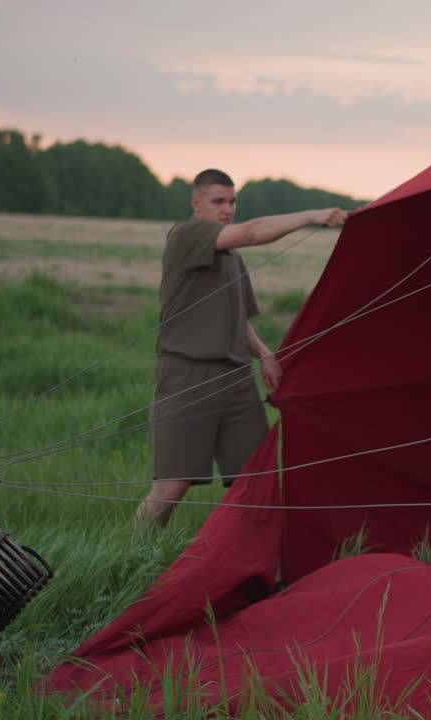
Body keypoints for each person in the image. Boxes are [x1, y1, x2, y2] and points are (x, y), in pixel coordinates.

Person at [135, 169, 348, 528]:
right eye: (218, 201)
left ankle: (254, 563)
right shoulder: (187, 234)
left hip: (235, 379)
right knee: (172, 485)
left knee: (257, 479)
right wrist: (311, 217)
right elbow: (252, 230)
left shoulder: (232, 257)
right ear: (196, 203)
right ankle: (131, 558)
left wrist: (264, 353)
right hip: (187, 374)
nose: (227, 209)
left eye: (232, 202)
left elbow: (238, 318)